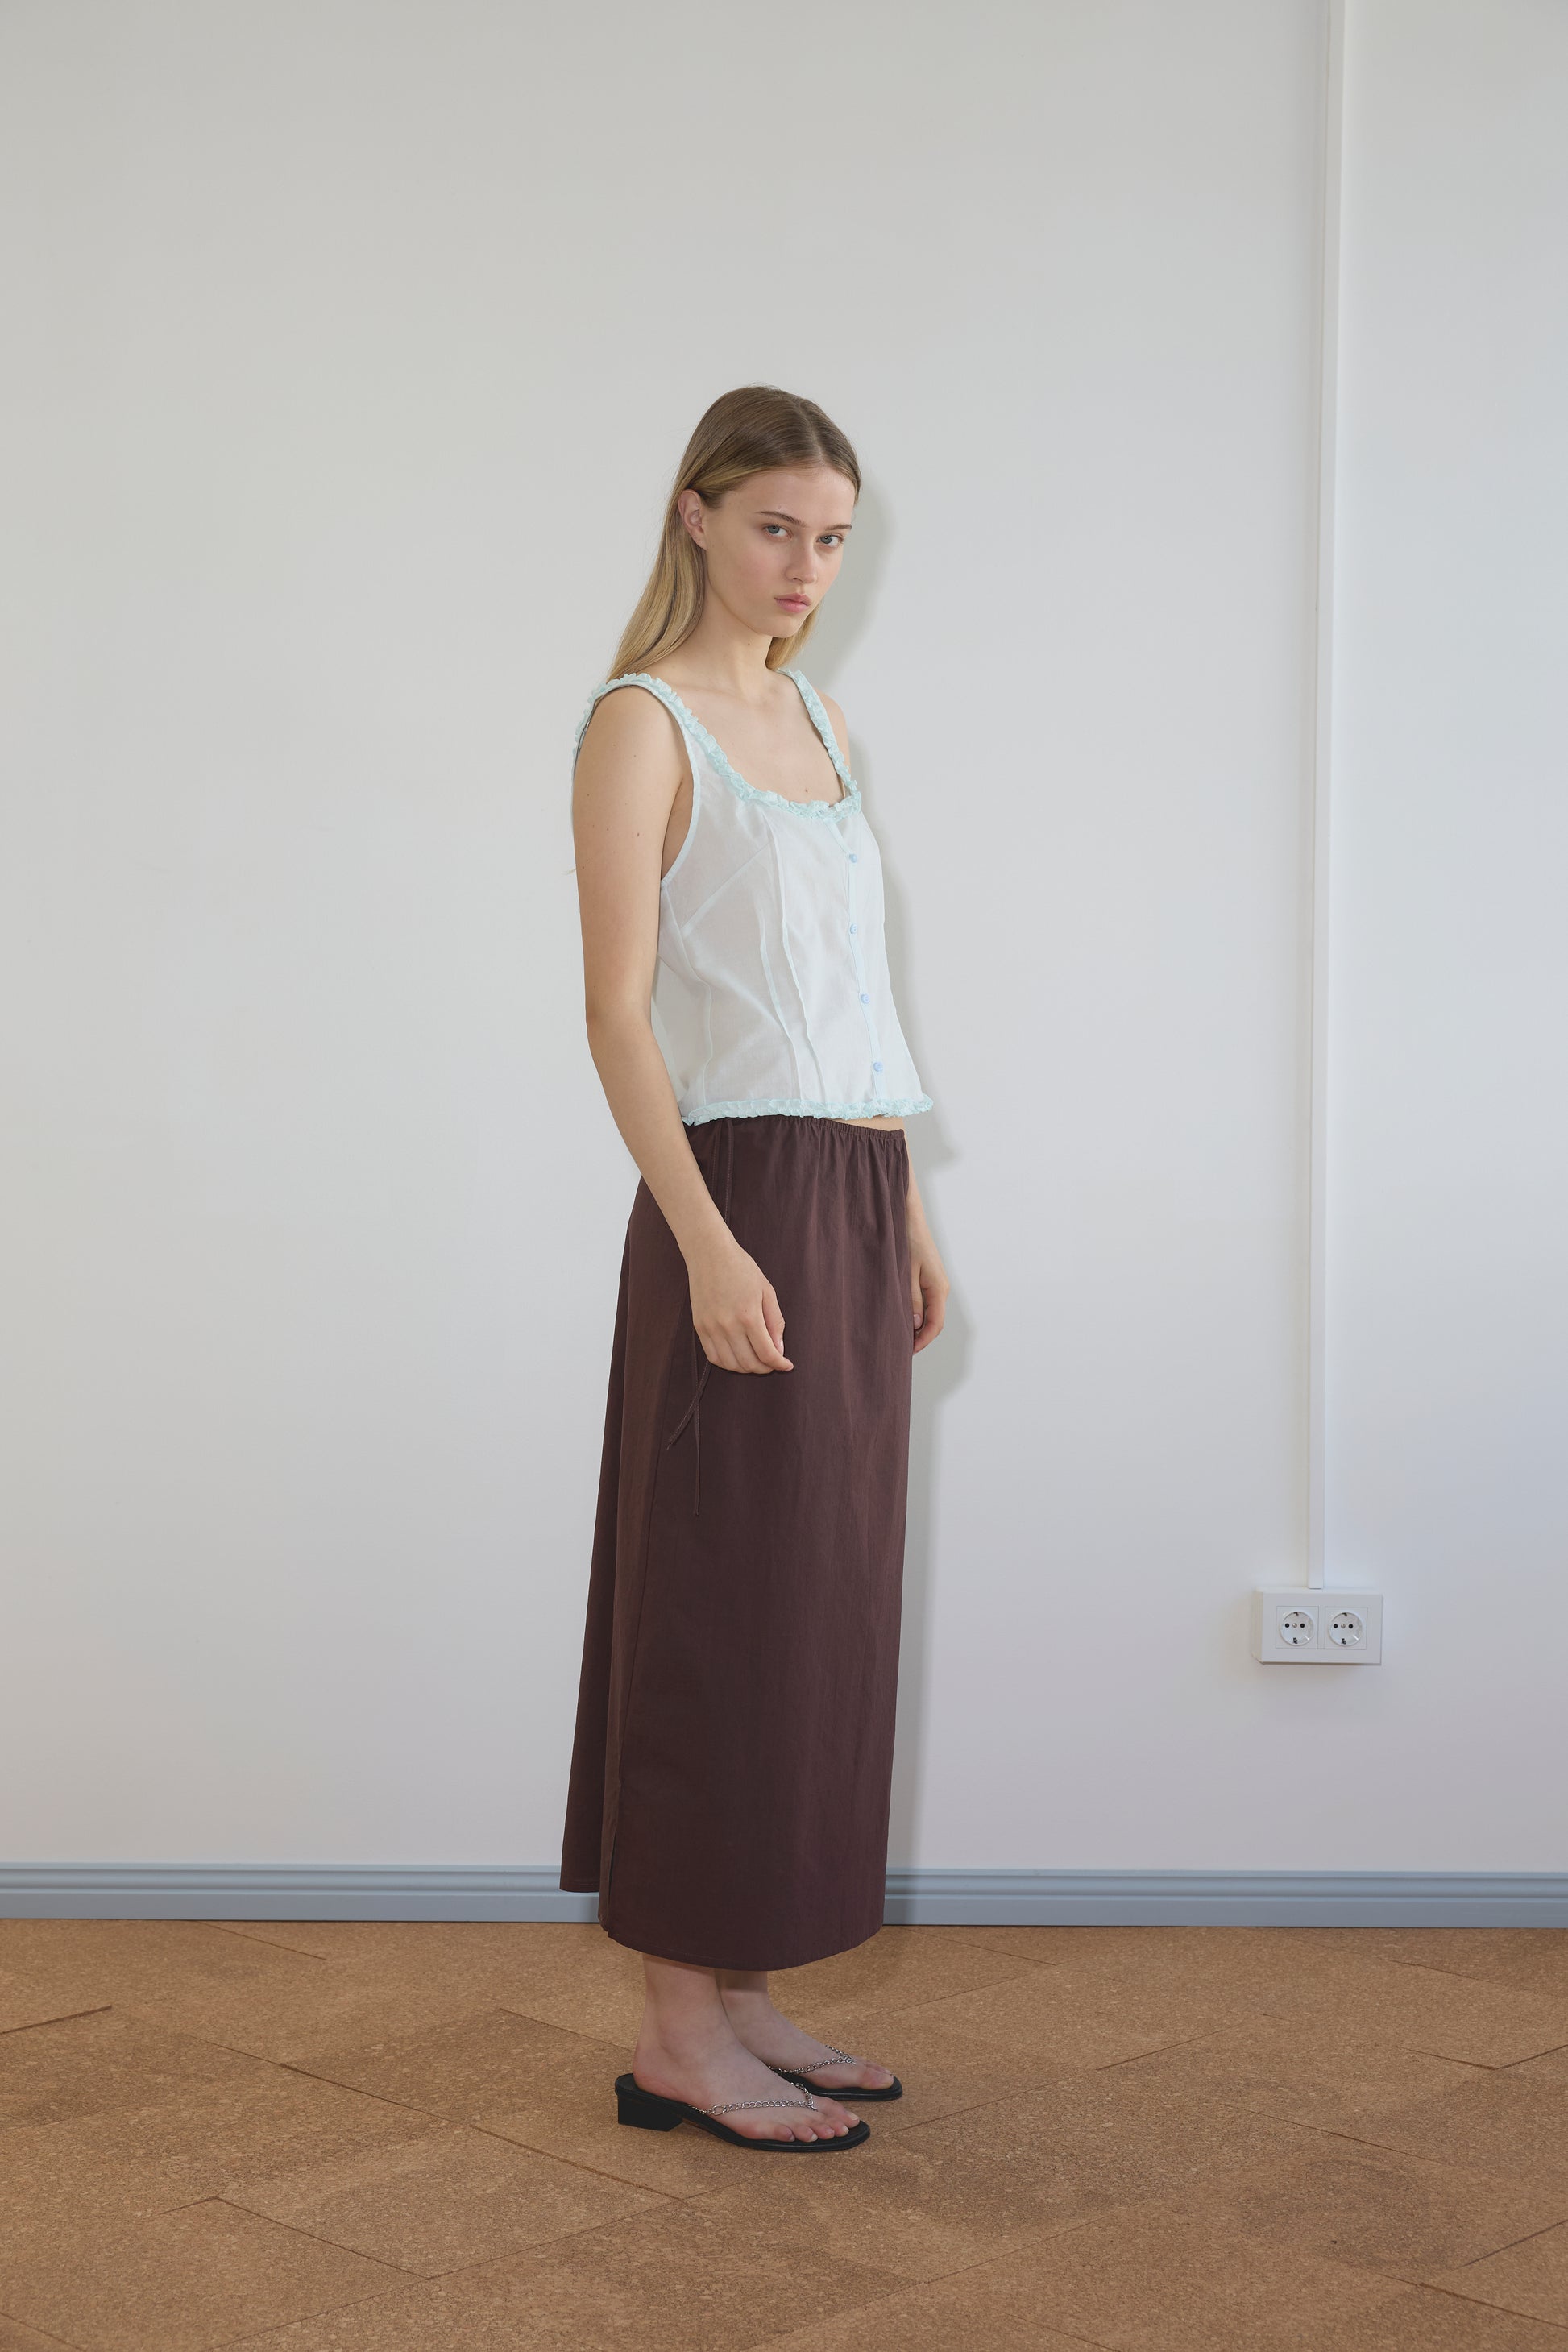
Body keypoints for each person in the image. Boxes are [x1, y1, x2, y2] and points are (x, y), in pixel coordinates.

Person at [559, 385, 950, 2151]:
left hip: (855, 1192)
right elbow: (616, 1012)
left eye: (835, 537)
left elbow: (857, 1004)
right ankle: (671, 2036)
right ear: (700, 516)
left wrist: (914, 1205)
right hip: (734, 1197)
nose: (807, 567)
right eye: (780, 526)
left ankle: (747, 1985)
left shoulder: (824, 719)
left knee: (817, 1605)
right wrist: (710, 1239)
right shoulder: (642, 725)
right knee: (716, 1604)